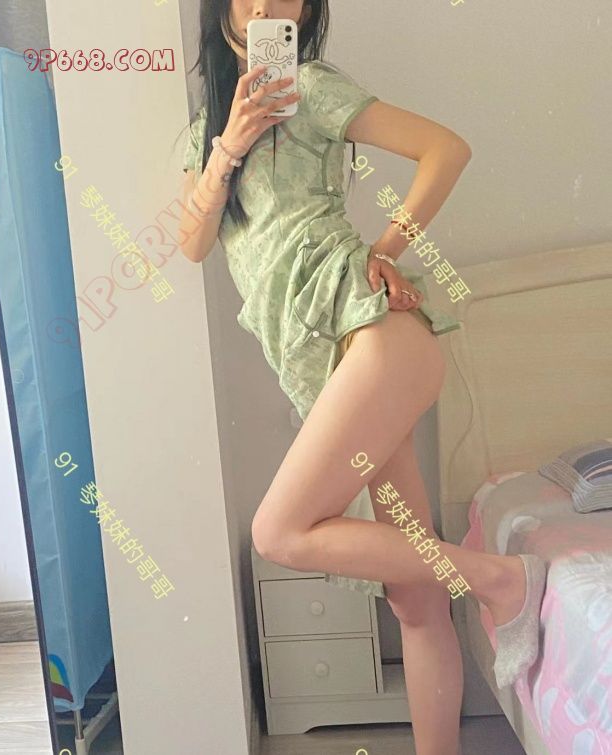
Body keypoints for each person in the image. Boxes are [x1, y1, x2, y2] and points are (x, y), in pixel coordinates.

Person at [178, 2, 547, 754]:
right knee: (415, 602)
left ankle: (502, 579)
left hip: (374, 335)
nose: (266, 5)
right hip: (338, 362)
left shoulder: (309, 86)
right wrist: (229, 147)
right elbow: (192, 241)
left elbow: (446, 149)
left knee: (279, 530)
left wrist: (384, 248)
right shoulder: (204, 137)